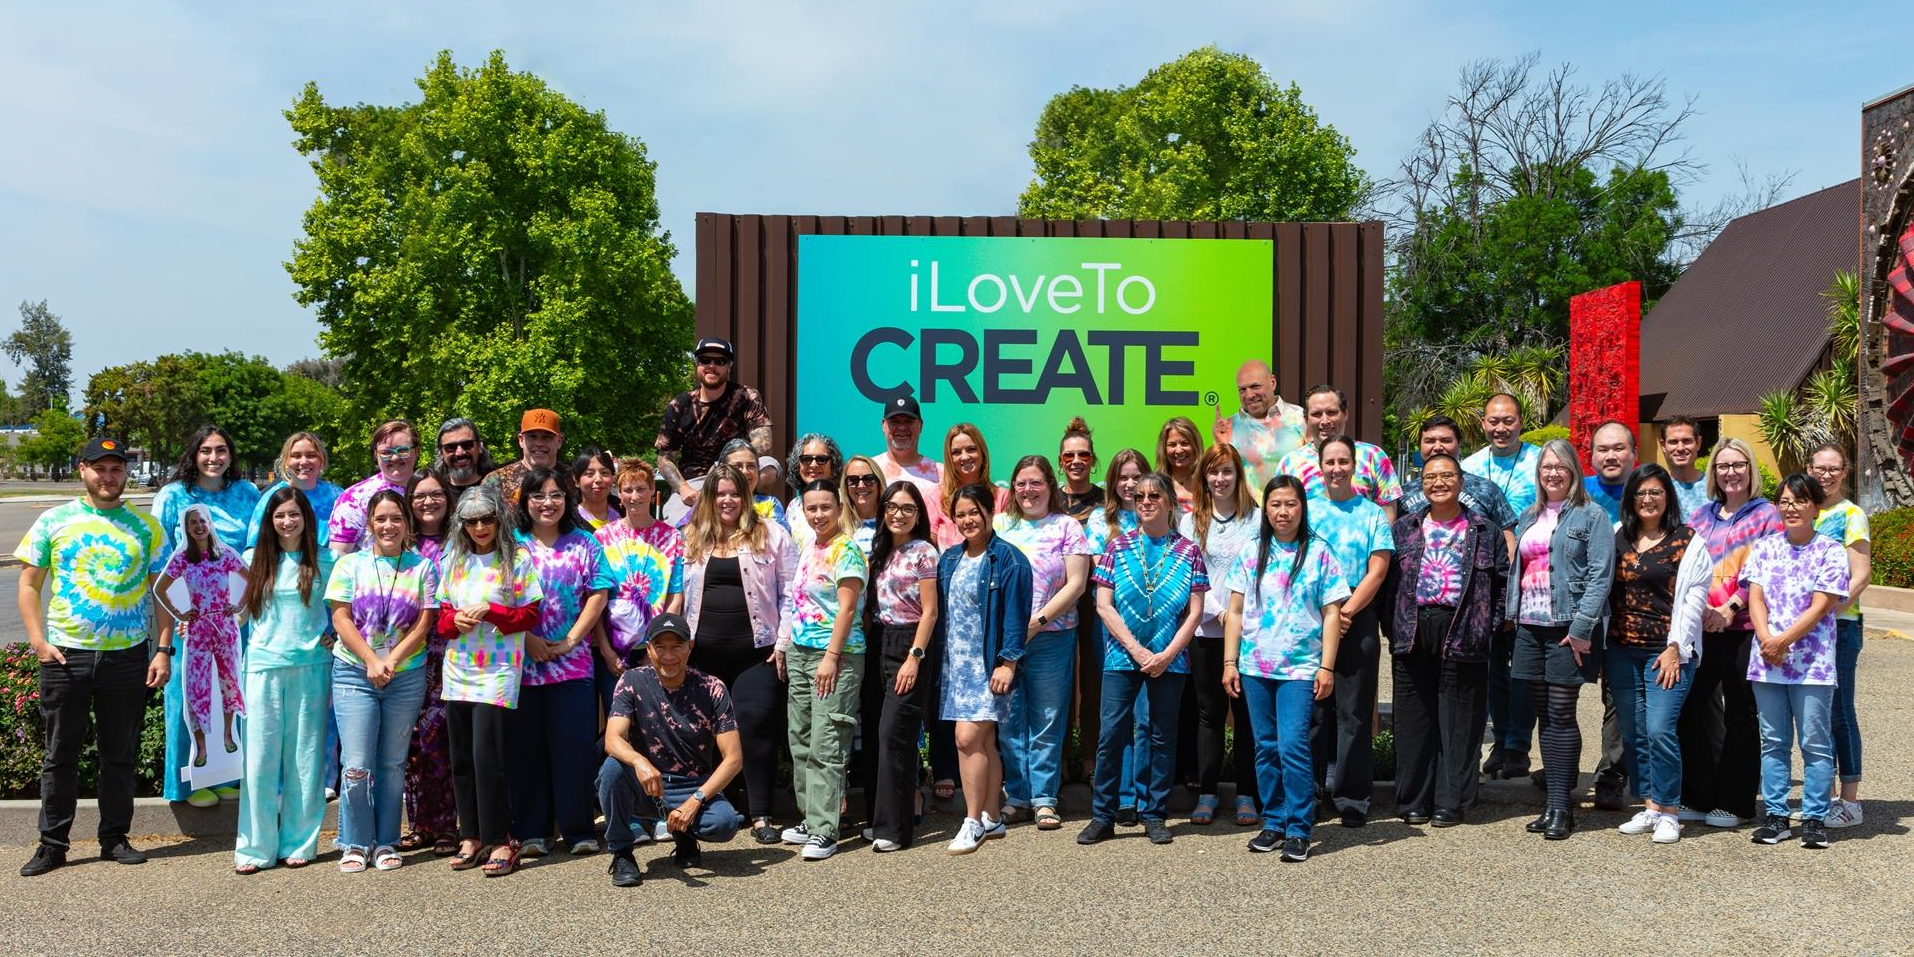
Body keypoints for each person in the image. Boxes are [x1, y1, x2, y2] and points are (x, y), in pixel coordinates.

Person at [16, 437, 167, 877]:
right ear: (82, 470)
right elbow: (29, 584)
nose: (109, 476)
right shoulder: (55, 521)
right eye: (100, 468)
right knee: (59, 755)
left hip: (127, 659)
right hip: (67, 657)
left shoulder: (146, 529)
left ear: (125, 473)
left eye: (116, 468)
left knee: (119, 755)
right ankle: (52, 844)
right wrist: (39, 643)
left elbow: (160, 594)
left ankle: (114, 838)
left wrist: (162, 649)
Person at [1078, 472, 1207, 847]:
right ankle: (1103, 815)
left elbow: (1195, 612)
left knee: (1161, 737)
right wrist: (1136, 650)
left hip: (1171, 658)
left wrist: (1167, 655)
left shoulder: (1188, 551)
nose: (1146, 501)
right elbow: (1103, 605)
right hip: (1122, 656)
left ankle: (1154, 814)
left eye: (1154, 495)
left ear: (1170, 503)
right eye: (1139, 497)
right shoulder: (1117, 547)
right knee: (1111, 735)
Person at [1223, 475, 1348, 861]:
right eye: (1275, 504)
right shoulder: (1251, 551)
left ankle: (1299, 826)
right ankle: (1273, 821)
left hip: (1300, 668)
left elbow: (1332, 614)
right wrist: (1230, 662)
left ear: (1302, 507)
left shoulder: (1319, 553)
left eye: (1291, 504)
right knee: (1264, 746)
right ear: (1267, 509)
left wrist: (1327, 667)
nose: (1283, 511)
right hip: (1256, 666)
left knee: (1293, 746)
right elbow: (1236, 611)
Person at [1382, 453, 1507, 828]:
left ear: (1461, 481)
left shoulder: (1485, 530)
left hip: (1465, 627)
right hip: (1414, 627)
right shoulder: (1404, 529)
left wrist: (1489, 624)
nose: (1439, 482)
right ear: (1422, 483)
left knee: (1460, 721)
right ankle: (1413, 799)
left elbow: (1501, 582)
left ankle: (1450, 801)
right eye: (1431, 476)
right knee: (1414, 718)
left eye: (1447, 475)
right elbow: (1388, 583)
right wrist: (1393, 625)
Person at [1407, 416, 1528, 782]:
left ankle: (1476, 762)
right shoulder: (1408, 491)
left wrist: (1503, 602)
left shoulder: (1484, 489)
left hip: (1472, 609)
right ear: (1420, 447)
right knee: (1424, 697)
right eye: (1430, 441)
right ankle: (1431, 776)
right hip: (1421, 616)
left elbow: (1506, 538)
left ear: (1459, 445)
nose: (1438, 446)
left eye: (1446, 439)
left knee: (1480, 688)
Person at [1506, 439, 1614, 840]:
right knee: (1544, 716)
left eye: (1560, 467)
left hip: (1569, 628)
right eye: (1546, 467)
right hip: (1530, 627)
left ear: (1573, 471)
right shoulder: (1528, 516)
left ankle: (1561, 808)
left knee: (1562, 712)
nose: (1552, 473)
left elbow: (1602, 575)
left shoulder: (1592, 516)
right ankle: (1552, 799)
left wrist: (1582, 628)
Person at [681, 462, 794, 845]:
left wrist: (782, 643)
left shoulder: (771, 534)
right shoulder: (692, 537)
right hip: (702, 657)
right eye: (720, 493)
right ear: (709, 499)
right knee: (710, 732)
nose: (727, 500)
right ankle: (721, 810)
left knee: (755, 725)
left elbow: (791, 593)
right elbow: (681, 595)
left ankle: (762, 813)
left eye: (734, 493)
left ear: (746, 498)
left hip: (756, 653)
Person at [326, 489, 438, 872]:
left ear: (406, 524)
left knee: (392, 763)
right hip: (354, 672)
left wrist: (391, 659)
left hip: (404, 676)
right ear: (369, 523)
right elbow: (341, 619)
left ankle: (387, 840)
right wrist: (372, 660)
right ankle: (355, 842)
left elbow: (426, 621)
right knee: (356, 764)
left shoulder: (422, 568)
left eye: (396, 518)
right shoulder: (349, 566)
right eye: (381, 519)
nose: (388, 526)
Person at [435, 486, 543, 877]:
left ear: (499, 518)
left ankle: (501, 838)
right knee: (461, 757)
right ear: (460, 524)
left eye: (487, 518)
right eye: (471, 520)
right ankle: (472, 835)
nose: (480, 527)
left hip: (497, 669)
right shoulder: (453, 559)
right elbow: (442, 621)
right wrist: (456, 621)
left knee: (487, 756)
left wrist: (493, 611)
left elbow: (529, 616)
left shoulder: (517, 559)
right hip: (459, 667)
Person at [153, 425, 261, 808]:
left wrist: (244, 605)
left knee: (230, 690)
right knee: (190, 694)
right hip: (190, 624)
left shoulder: (246, 494)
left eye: (221, 450)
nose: (214, 458)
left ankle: (225, 772)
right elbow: (160, 562)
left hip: (233, 623)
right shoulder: (172, 497)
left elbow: (255, 552)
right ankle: (187, 782)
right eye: (205, 451)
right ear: (193, 455)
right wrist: (179, 613)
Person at [1679, 437, 1783, 830]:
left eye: (1738, 464)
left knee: (1742, 713)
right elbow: (1689, 569)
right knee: (1690, 708)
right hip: (1703, 627)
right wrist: (1703, 610)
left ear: (1750, 469)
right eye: (1723, 466)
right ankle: (1698, 794)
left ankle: (1736, 802)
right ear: (1713, 473)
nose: (1731, 472)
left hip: (1743, 629)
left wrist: (1730, 608)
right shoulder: (1700, 517)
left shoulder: (1767, 515)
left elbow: (1765, 570)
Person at [599, 613, 748, 887]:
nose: (668, 655)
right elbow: (612, 739)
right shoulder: (632, 681)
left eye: (677, 646)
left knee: (725, 824)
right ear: (649, 648)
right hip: (646, 784)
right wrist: (639, 761)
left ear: (690, 647)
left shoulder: (711, 688)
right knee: (612, 768)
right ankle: (621, 852)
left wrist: (695, 801)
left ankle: (685, 835)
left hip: (692, 784)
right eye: (660, 647)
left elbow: (734, 759)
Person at [510, 468, 614, 857]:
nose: (547, 503)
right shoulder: (512, 544)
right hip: (521, 664)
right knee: (527, 750)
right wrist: (527, 638)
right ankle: (533, 831)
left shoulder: (584, 543)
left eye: (555, 495)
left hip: (573, 665)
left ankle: (577, 829)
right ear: (525, 502)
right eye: (538, 495)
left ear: (567, 500)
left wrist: (572, 640)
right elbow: (499, 596)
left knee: (573, 749)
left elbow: (598, 594)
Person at [233, 487, 337, 873]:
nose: (287, 522)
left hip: (311, 667)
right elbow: (235, 614)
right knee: (258, 761)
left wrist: (337, 635)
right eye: (280, 516)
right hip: (261, 667)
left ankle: (300, 842)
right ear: (269, 521)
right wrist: (202, 626)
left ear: (306, 518)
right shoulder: (251, 561)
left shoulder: (326, 560)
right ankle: (255, 847)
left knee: (304, 759)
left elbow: (349, 607)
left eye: (294, 514)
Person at [1744, 473, 1849, 849]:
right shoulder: (1765, 547)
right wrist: (1766, 639)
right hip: (1767, 660)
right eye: (1784, 501)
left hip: (1812, 662)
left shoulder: (1830, 550)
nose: (1791, 508)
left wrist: (1784, 639)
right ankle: (1776, 815)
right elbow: (1755, 597)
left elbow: (1824, 604)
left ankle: (1815, 817)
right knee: (1772, 739)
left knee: (1815, 742)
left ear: (1815, 507)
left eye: (1800, 501)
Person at [1607, 464, 1709, 845]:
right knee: (1634, 734)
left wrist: (1675, 647)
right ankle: (1650, 806)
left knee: (1660, 730)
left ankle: (1670, 810)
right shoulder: (1620, 536)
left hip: (1666, 652)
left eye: (1656, 492)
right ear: (1631, 499)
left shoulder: (1688, 541)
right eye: (1640, 493)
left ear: (1668, 497)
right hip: (1621, 649)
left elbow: (1694, 599)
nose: (1648, 500)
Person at [994, 456, 1095, 831]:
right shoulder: (1000, 525)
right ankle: (1016, 796)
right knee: (1009, 717)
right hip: (1007, 639)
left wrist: (1036, 622)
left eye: (1036, 483)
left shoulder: (1066, 526)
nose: (1028, 490)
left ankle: (1044, 799)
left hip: (1052, 636)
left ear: (1050, 487)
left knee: (1048, 718)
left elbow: (1076, 584)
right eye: (1021, 483)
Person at [937, 484, 1033, 854]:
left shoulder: (1009, 559)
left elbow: (1016, 615)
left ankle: (972, 820)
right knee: (984, 741)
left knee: (966, 739)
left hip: (989, 665)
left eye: (974, 512)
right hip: (956, 665)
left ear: (990, 513)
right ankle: (992, 817)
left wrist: (1008, 662)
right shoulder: (949, 559)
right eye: (960, 514)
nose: (967, 520)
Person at [1305, 436, 1394, 827]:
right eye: (1330, 462)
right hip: (1310, 619)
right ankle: (1308, 793)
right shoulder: (1306, 510)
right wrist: (1327, 616)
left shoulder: (1372, 514)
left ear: (1354, 465)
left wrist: (1344, 613)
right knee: (1313, 713)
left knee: (1354, 713)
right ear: (1320, 467)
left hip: (1356, 619)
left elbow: (1378, 568)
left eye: (1344, 461)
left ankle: (1352, 797)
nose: (1337, 468)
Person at [779, 479, 869, 860]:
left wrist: (831, 656)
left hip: (835, 655)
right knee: (799, 738)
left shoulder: (846, 549)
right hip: (801, 653)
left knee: (827, 741)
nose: (818, 515)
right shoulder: (809, 547)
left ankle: (825, 829)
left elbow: (847, 609)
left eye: (825, 507)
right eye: (811, 508)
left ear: (839, 508)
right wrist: (786, 648)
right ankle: (810, 817)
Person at [1176, 444, 1261, 827]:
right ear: (1204, 478)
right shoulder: (1190, 523)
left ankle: (1247, 795)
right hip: (1206, 629)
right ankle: (1207, 794)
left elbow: (1263, 574)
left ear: (1238, 475)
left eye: (1227, 471)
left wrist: (1240, 617)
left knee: (1246, 716)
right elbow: (1187, 578)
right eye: (1213, 472)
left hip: (1250, 632)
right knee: (1209, 714)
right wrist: (1218, 612)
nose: (1220, 479)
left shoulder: (1258, 520)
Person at [859, 480, 940, 850]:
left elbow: (931, 611)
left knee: (896, 733)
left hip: (910, 643)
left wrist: (915, 657)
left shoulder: (924, 552)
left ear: (918, 514)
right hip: (877, 640)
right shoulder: (879, 551)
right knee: (882, 733)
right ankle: (883, 821)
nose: (898, 514)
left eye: (908, 508)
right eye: (892, 506)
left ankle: (895, 830)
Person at [153, 505, 248, 775]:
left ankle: (228, 735)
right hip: (198, 629)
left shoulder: (225, 554)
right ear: (187, 527)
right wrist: (180, 613)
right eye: (192, 522)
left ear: (209, 523)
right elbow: (161, 587)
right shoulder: (183, 558)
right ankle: (202, 746)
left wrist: (238, 605)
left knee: (229, 681)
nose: (198, 526)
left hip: (224, 627)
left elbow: (251, 578)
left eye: (202, 521)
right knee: (197, 687)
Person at [1082, 448, 1150, 817]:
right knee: (1120, 712)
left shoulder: (1159, 516)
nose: (1129, 484)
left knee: (1147, 716)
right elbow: (1102, 574)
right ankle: (1124, 797)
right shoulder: (1099, 520)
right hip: (1111, 625)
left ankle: (1146, 794)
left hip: (1156, 627)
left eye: (1136, 476)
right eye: (1123, 477)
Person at [1807, 443, 1871, 827]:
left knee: (1839, 710)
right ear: (1809, 468)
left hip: (1840, 626)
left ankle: (1850, 800)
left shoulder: (1851, 514)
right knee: (1813, 713)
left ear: (1844, 473)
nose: (1826, 475)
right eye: (1820, 468)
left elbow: (1860, 574)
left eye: (1834, 469)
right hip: (1805, 629)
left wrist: (1827, 611)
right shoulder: (1804, 510)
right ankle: (1824, 796)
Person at [596, 458, 687, 715]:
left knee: (655, 718)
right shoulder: (602, 538)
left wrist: (658, 647)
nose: (634, 496)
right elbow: (596, 600)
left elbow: (675, 595)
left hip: (656, 647)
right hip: (613, 648)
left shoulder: (671, 537)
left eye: (641, 489)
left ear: (652, 492)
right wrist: (605, 651)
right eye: (627, 490)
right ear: (619, 494)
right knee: (618, 718)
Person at [655, 336, 774, 522]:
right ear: (696, 363)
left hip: (737, 472)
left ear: (729, 366)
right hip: (696, 482)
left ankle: (751, 509)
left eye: (720, 361)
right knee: (677, 524)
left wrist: (724, 464)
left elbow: (763, 442)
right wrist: (683, 489)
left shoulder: (746, 396)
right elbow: (664, 458)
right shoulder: (680, 405)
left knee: (769, 467)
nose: (712, 366)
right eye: (705, 360)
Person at [401, 471, 458, 854]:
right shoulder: (399, 544)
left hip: (450, 653)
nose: (428, 502)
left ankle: (448, 825)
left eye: (436, 494)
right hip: (406, 653)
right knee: (411, 742)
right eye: (420, 496)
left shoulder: (460, 542)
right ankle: (418, 823)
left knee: (443, 740)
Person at [1058, 417, 1107, 780]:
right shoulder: (1048, 497)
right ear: (1060, 461)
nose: (1076, 461)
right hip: (1055, 600)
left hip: (1095, 600)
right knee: (1058, 684)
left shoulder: (1107, 500)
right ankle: (1057, 762)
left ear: (1093, 460)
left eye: (1083, 455)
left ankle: (1091, 758)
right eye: (1069, 455)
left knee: (1095, 681)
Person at [1275, 386, 1400, 520]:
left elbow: (1388, 512)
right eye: (1317, 414)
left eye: (1331, 412)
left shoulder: (1373, 456)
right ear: (1306, 419)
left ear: (1345, 414)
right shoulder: (1290, 463)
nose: (1325, 421)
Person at [1212, 359, 1308, 498]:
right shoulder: (1228, 427)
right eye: (1242, 390)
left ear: (1272, 383)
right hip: (1245, 516)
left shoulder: (1300, 419)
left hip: (1290, 513)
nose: (1249, 395)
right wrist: (1221, 445)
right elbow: (1219, 478)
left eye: (1255, 386)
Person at [329, 420, 421, 555]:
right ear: (375, 455)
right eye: (386, 452)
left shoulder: (431, 491)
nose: (395, 457)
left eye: (402, 450)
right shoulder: (354, 498)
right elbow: (339, 555)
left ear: (417, 451)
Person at [245, 431, 344, 549]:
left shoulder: (339, 496)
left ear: (321, 461)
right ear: (286, 462)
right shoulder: (272, 497)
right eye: (296, 456)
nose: (303, 462)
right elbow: (255, 546)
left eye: (311, 455)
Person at [1461, 393, 1543, 518]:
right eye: (1493, 422)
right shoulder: (1468, 467)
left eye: (1508, 421)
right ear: (1483, 423)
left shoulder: (1542, 461)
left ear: (1521, 422)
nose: (1500, 429)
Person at [485, 408, 564, 510]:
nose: (539, 443)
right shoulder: (497, 481)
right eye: (532, 437)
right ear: (521, 440)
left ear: (559, 441)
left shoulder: (574, 479)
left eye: (546, 437)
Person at [716, 437, 787, 527]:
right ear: (722, 469)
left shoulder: (770, 504)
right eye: (737, 466)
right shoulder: (708, 503)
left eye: (751, 466)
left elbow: (782, 537)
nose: (745, 471)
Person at [434, 417, 497, 507]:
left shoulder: (498, 486)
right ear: (441, 452)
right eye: (450, 447)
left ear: (479, 446)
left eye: (467, 445)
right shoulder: (435, 494)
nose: (459, 453)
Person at [1584, 420, 1638, 525]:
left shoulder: (1647, 490)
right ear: (1592, 456)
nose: (1610, 457)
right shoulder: (1577, 490)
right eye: (1603, 450)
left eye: (1618, 449)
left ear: (1635, 453)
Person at [1659, 416, 1709, 521]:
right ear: (1663, 445)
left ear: (1698, 443)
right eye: (1673, 442)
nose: (1680, 448)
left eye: (1686, 441)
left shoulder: (1714, 486)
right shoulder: (1657, 488)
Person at [1156, 416, 1205, 512]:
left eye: (1184, 443)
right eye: (1172, 445)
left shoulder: (1207, 482)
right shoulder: (1155, 485)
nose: (1178, 450)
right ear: (1164, 449)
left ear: (1196, 445)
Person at [785, 433, 843, 507]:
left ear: (833, 464)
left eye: (821, 459)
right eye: (806, 459)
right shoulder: (794, 506)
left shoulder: (846, 503)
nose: (813, 465)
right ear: (797, 465)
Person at [571, 448, 621, 529]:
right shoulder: (568, 521)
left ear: (613, 477)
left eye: (604, 473)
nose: (598, 479)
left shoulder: (625, 511)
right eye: (589, 474)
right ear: (576, 480)